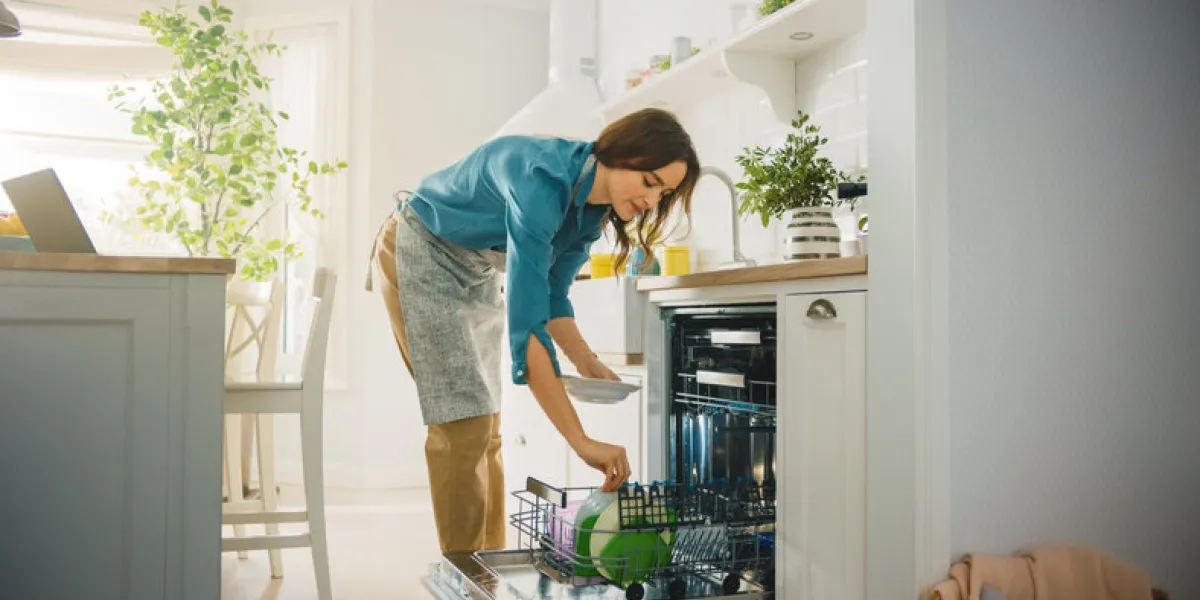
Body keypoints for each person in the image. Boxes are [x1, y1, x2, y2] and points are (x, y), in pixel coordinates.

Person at [367, 108, 700, 555]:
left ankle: (489, 569)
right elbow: (527, 329)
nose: (652, 201)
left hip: (474, 266)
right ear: (622, 153)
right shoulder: (539, 181)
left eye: (664, 192)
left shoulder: (591, 212)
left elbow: (553, 297)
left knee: (487, 426)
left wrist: (585, 360)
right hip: (423, 247)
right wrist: (579, 440)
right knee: (463, 424)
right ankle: (465, 579)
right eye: (650, 182)